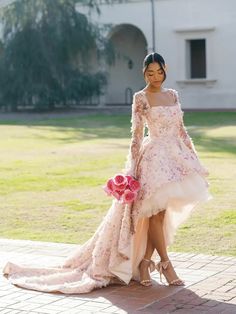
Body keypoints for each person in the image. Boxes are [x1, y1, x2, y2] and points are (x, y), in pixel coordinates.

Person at [3, 52, 211, 294]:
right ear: (144, 73)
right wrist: (132, 171)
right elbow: (136, 136)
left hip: (175, 157)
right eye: (150, 72)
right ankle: (166, 264)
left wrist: (192, 157)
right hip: (153, 159)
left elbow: (181, 130)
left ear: (165, 69)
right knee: (155, 213)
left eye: (159, 71)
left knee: (160, 216)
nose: (155, 77)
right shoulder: (140, 98)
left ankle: (145, 264)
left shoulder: (173, 95)